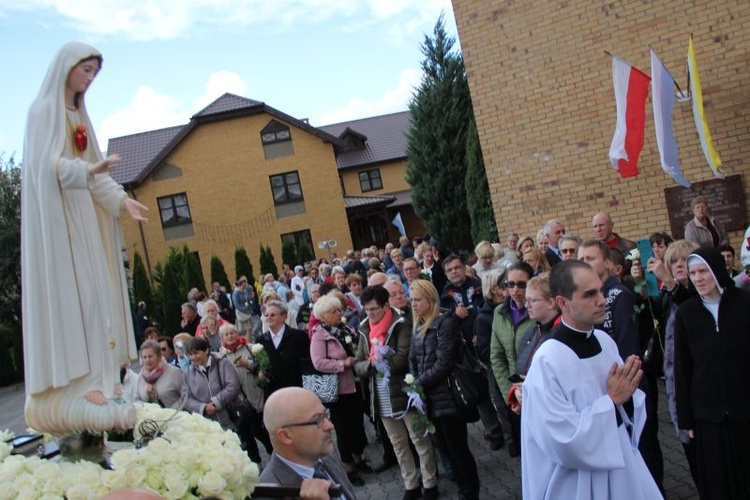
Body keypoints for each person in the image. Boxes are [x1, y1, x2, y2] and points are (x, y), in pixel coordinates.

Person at [22, 41, 148, 435]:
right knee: (79, 305)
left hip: (88, 226)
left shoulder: (79, 115)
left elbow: (99, 175)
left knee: (101, 301)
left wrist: (122, 201)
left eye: (95, 72)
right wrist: (87, 171)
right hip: (61, 228)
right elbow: (45, 168)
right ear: (66, 68)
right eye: (86, 70)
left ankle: (105, 376)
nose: (90, 78)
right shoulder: (43, 111)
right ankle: (81, 382)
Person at [521, 260, 662, 499]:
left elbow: (626, 411)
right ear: (562, 303)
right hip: (577, 483)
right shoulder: (548, 361)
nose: (601, 300)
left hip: (621, 466)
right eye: (589, 294)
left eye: (600, 290)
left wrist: (627, 397)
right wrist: (612, 401)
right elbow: (560, 439)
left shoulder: (605, 341)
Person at [674, 246, 750, 499]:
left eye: (703, 271)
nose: (698, 278)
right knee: (719, 481)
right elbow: (682, 368)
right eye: (692, 273)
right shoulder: (686, 313)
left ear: (717, 270)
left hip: (744, 406)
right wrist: (686, 418)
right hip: (708, 413)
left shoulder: (743, 303)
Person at [354, 286, 437, 500]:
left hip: (403, 391)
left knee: (419, 439)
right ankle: (411, 484)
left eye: (374, 309)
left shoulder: (401, 324)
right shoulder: (364, 328)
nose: (370, 314)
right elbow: (358, 362)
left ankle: (430, 483)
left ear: (385, 306)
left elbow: (402, 358)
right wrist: (370, 365)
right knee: (398, 444)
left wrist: (375, 364)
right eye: (366, 309)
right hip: (380, 396)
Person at [409, 280, 480, 500]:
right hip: (430, 397)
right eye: (412, 300)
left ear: (430, 300)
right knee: (446, 450)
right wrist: (414, 384)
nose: (414, 304)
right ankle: (462, 490)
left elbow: (444, 363)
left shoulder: (444, 323)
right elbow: (413, 359)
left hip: (448, 397)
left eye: (418, 299)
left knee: (458, 450)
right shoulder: (418, 325)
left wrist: (418, 383)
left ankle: (470, 493)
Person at [310, 295, 370, 486]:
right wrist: (342, 364)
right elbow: (318, 362)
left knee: (358, 426)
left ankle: (359, 458)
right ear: (323, 316)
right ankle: (349, 467)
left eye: (339, 310)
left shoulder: (347, 328)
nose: (339, 314)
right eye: (333, 311)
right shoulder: (320, 335)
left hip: (356, 385)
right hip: (338, 391)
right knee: (343, 430)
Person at [259, 387, 357, 500]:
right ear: (285, 436)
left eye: (325, 415)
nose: (330, 425)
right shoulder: (268, 493)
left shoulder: (323, 457)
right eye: (317, 420)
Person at [217, 324, 272, 465]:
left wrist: (247, 363)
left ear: (237, 333)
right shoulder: (220, 357)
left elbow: (265, 366)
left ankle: (274, 454)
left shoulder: (252, 348)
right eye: (226, 334)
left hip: (256, 396)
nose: (230, 336)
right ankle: (256, 464)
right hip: (237, 403)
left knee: (259, 431)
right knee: (246, 435)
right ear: (222, 338)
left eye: (232, 333)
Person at [183, 337, 241, 431]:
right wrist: (204, 408)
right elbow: (186, 399)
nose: (193, 357)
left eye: (196, 353)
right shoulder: (188, 373)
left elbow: (233, 386)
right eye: (191, 354)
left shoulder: (223, 363)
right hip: (209, 428)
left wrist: (216, 403)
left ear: (206, 351)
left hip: (232, 420)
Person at [258, 300, 311, 396]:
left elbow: (307, 363)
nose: (268, 318)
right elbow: (259, 365)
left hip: (297, 391)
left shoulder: (298, 336)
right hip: (275, 394)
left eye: (272, 315)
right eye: (266, 315)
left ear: (284, 316)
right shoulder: (261, 340)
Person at [133, 340, 184, 409]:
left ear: (159, 356)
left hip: (174, 416)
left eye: (150, 356)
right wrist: (145, 408)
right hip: (149, 417)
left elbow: (185, 397)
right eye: (144, 357)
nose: (147, 360)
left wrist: (170, 412)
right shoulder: (140, 376)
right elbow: (137, 399)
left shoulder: (175, 372)